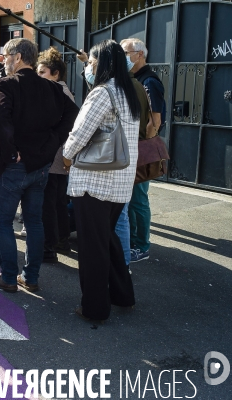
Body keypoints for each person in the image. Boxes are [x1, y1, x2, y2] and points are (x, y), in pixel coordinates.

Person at [0, 39, 78, 293]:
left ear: (17, 57)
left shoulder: (6, 84)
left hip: (15, 164)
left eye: (6, 56)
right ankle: (31, 276)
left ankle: (8, 276)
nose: (4, 61)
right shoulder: (50, 87)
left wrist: (11, 151)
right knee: (34, 221)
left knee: (4, 221)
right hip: (39, 164)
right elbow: (72, 114)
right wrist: (51, 144)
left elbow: (2, 119)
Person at [62, 39, 140, 322]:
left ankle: (94, 307)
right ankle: (123, 296)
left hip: (94, 183)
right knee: (108, 241)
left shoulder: (102, 93)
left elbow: (79, 135)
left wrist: (67, 156)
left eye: (91, 64)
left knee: (92, 249)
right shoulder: (127, 92)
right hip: (119, 183)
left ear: (103, 64)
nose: (89, 69)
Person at [121, 38, 165, 264]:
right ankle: (132, 240)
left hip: (141, 147)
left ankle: (142, 245)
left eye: (126, 52)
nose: (123, 56)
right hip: (133, 145)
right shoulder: (135, 79)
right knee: (130, 198)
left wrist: (143, 146)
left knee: (138, 198)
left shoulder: (149, 81)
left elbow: (155, 120)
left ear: (140, 54)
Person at [35, 47, 77, 262]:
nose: (38, 76)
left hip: (55, 154)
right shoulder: (63, 90)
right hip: (62, 154)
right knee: (58, 198)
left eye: (42, 72)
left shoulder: (57, 92)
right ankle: (61, 239)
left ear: (55, 73)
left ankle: (50, 245)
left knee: (49, 201)